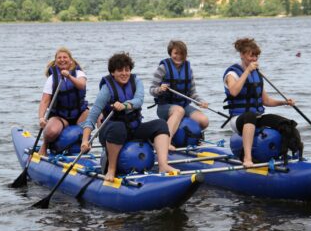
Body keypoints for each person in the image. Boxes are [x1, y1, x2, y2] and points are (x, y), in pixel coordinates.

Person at [81, 52, 176, 182]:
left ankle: (163, 165)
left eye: (127, 70)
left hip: (133, 128)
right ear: (112, 73)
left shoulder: (136, 81)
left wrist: (125, 105)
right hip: (110, 132)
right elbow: (93, 115)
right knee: (118, 127)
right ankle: (111, 170)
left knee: (161, 124)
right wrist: (85, 140)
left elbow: (139, 100)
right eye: (120, 70)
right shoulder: (106, 89)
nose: (124, 73)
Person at [223, 38, 296, 168]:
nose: (254, 59)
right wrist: (247, 71)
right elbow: (234, 91)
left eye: (256, 56)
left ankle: (288, 155)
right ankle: (247, 158)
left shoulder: (256, 74)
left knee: (286, 124)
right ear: (242, 55)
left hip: (256, 117)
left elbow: (265, 101)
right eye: (251, 55)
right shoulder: (232, 73)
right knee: (250, 115)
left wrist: (284, 102)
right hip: (238, 119)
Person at [150, 40, 209, 150]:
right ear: (170, 53)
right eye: (176, 53)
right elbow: (152, 90)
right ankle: (165, 142)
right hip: (165, 107)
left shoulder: (188, 69)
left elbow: (192, 92)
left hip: (183, 105)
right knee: (179, 111)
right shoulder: (163, 68)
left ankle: (193, 138)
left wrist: (201, 101)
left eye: (181, 54)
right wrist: (160, 89)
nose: (178, 56)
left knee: (204, 120)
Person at [37, 47, 89, 156]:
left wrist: (69, 76)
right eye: (59, 58)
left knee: (94, 115)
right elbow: (45, 101)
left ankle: (85, 144)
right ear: (55, 62)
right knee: (51, 132)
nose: (62, 59)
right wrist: (41, 118)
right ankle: (44, 146)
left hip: (79, 114)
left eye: (65, 57)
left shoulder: (79, 74)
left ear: (71, 60)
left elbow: (81, 85)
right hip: (61, 116)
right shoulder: (52, 79)